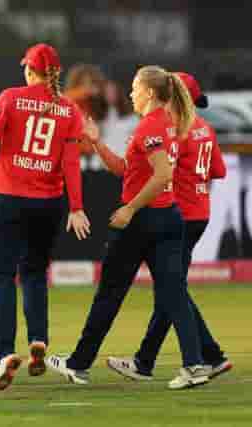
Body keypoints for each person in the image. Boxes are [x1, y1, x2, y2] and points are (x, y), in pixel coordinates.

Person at [46, 65, 212, 390]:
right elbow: (127, 170)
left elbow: (162, 175)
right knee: (174, 293)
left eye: (135, 88)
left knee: (110, 294)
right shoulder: (167, 124)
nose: (130, 94)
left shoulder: (151, 126)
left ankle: (78, 363)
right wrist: (97, 144)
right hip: (168, 217)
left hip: (142, 221)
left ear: (150, 93)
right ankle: (194, 364)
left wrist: (129, 208)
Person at [0, 43, 91, 391]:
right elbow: (71, 163)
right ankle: (38, 339)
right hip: (49, 203)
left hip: (9, 198)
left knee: (1, 276)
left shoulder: (9, 98)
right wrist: (77, 207)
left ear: (29, 71)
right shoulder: (69, 109)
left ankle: (5, 353)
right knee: (35, 273)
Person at [106, 72, 232, 381]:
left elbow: (161, 173)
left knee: (171, 289)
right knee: (172, 288)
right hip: (201, 212)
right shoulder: (205, 128)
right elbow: (219, 170)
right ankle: (155, 359)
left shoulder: (176, 131)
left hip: (180, 213)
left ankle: (198, 357)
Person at [63, 64, 109, 155]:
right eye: (83, 83)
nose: (87, 86)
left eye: (91, 83)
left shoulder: (97, 103)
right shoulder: (70, 99)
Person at [102, 80, 138, 157]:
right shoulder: (102, 117)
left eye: (112, 92)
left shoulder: (131, 118)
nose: (110, 95)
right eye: (107, 92)